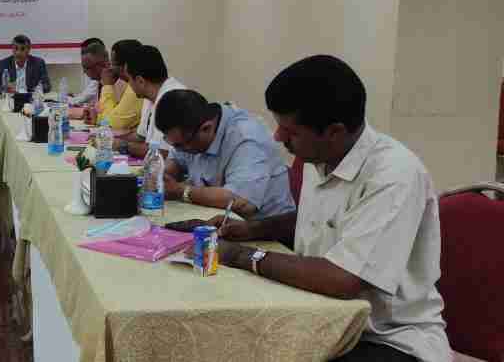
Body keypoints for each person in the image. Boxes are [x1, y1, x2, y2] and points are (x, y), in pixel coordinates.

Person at [171, 55, 449, 362]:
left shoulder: (393, 176)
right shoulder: (320, 156)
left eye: (290, 131)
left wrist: (240, 255)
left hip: (385, 338)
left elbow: (344, 279)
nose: (277, 137)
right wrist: (252, 229)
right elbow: (320, 220)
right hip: (320, 316)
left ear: (334, 132)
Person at [155, 89, 295, 220]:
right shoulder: (191, 132)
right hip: (216, 220)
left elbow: (243, 202)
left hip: (263, 229)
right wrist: (161, 176)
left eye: (180, 145)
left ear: (206, 128)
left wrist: (181, 191)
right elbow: (176, 161)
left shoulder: (246, 138)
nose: (179, 150)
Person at [116, 45, 186, 158]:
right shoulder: (150, 95)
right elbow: (140, 137)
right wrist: (109, 139)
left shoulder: (172, 99)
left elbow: (163, 153)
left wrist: (123, 146)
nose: (129, 84)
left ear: (140, 81)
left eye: (129, 80)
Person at [88, 39, 142, 133]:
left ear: (125, 67)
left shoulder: (135, 87)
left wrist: (107, 86)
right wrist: (96, 116)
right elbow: (107, 116)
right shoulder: (125, 82)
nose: (110, 68)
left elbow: (112, 123)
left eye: (112, 64)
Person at [70, 37, 104, 106]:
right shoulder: (96, 77)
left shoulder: (109, 81)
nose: (84, 71)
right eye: (82, 53)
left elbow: (84, 98)